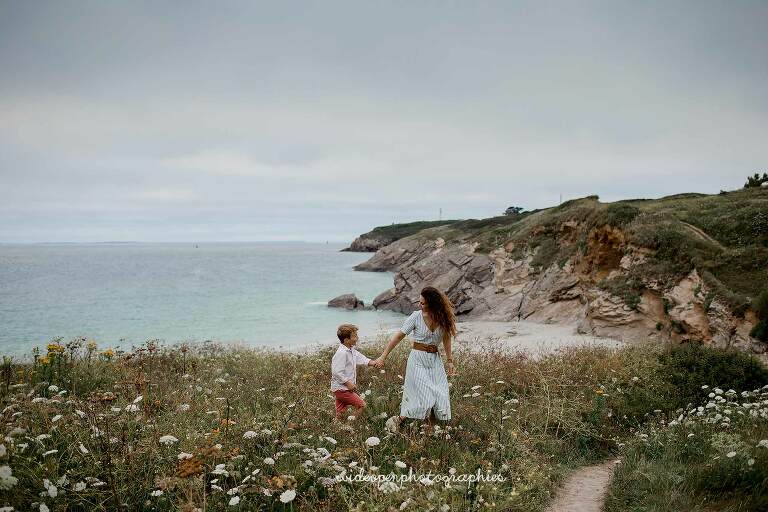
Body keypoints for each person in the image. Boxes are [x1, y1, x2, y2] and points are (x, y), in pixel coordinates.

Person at [372, 286, 457, 433]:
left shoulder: (443, 318)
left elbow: (447, 339)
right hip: (417, 359)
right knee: (426, 396)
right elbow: (399, 336)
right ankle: (400, 420)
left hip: (435, 361)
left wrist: (450, 361)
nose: (420, 305)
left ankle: (428, 430)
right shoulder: (416, 316)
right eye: (419, 302)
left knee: (439, 395)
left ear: (433, 303)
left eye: (423, 303)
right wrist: (383, 356)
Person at [330, 324, 382, 421]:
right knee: (362, 405)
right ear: (346, 340)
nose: (357, 338)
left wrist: (373, 363)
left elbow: (362, 358)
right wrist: (348, 383)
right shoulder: (342, 353)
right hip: (342, 389)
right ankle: (350, 424)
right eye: (354, 336)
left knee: (340, 412)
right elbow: (336, 372)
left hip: (341, 388)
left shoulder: (351, 350)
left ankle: (337, 427)